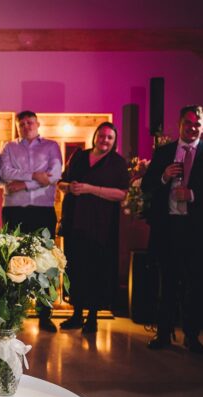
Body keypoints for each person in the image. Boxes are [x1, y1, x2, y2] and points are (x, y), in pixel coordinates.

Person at [141, 105, 203, 353]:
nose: (192, 127)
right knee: (166, 282)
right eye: (187, 123)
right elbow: (147, 186)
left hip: (197, 229)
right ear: (179, 124)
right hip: (168, 226)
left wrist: (193, 194)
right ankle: (163, 334)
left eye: (197, 123)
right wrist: (164, 176)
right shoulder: (165, 151)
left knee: (195, 284)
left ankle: (192, 336)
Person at [58, 122, 129, 334]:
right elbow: (61, 183)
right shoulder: (79, 156)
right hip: (75, 222)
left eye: (109, 137)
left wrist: (91, 189)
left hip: (101, 225)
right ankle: (77, 314)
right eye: (102, 136)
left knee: (97, 270)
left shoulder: (117, 163)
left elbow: (122, 194)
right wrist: (69, 187)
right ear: (95, 136)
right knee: (76, 269)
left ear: (114, 141)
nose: (104, 140)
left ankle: (93, 318)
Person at [0, 110, 62, 332]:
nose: (26, 126)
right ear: (17, 126)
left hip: (43, 210)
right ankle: (15, 313)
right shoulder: (9, 147)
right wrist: (35, 176)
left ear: (38, 124)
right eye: (21, 123)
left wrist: (24, 183)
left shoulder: (51, 147)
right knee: (13, 260)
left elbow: (53, 175)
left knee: (46, 262)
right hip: (15, 211)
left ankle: (45, 315)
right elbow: (5, 173)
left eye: (29, 122)